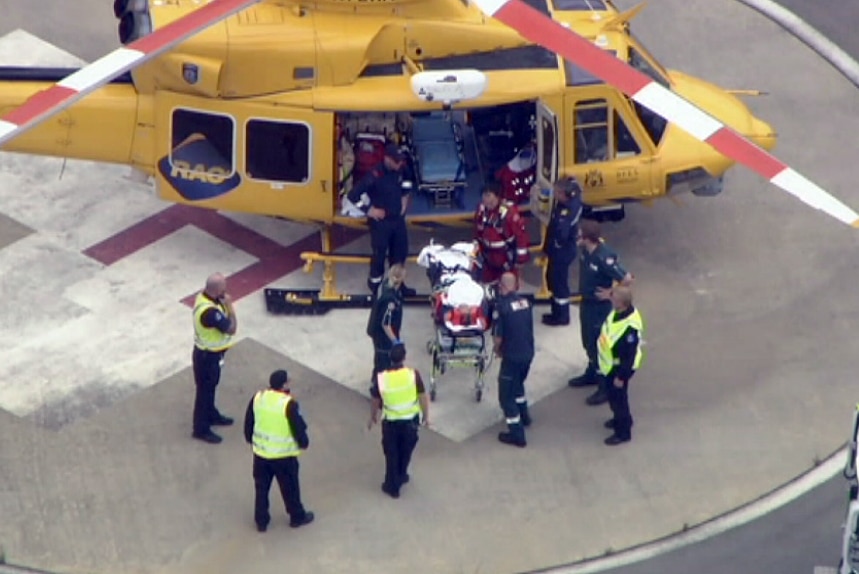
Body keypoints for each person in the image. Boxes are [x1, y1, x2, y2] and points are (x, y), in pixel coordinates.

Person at [567, 220, 633, 407]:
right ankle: (591, 373)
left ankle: (604, 387)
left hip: (599, 308)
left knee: (600, 346)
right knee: (588, 341)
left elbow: (627, 279)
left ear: (588, 238)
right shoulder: (586, 253)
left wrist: (610, 293)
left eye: (580, 235)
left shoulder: (604, 256)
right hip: (586, 304)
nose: (577, 238)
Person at [243, 369, 315, 532]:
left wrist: (251, 439)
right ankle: (297, 516)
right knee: (290, 488)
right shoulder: (288, 404)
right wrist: (304, 443)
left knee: (261, 489)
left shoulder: (258, 398)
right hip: (283, 457)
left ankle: (261, 521)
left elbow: (249, 422)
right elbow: (298, 428)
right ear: (283, 385)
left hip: (261, 454)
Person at [346, 142, 417, 297]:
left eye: (401, 161)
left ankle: (398, 284)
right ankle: (375, 287)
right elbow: (353, 196)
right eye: (397, 161)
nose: (400, 164)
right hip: (381, 223)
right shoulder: (375, 175)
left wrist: (405, 197)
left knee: (399, 254)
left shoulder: (401, 170)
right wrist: (370, 210)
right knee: (379, 256)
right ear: (387, 159)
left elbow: (407, 182)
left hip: (397, 220)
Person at [368, 344, 430, 499]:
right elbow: (422, 396)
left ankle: (392, 486)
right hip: (410, 422)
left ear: (390, 358)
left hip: (391, 423)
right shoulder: (413, 375)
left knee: (391, 453)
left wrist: (372, 416)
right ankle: (401, 475)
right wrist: (426, 416)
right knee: (406, 451)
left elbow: (375, 399)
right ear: (404, 358)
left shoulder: (382, 378)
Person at [191, 273, 237, 444]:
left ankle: (211, 414)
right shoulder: (210, 312)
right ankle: (200, 428)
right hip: (207, 357)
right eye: (223, 288)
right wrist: (230, 308)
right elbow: (231, 328)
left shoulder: (205, 298)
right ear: (217, 290)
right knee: (204, 392)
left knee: (210, 388)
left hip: (210, 355)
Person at [492, 272, 535, 447]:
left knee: (506, 396)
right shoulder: (525, 303)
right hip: (527, 354)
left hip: (512, 357)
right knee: (518, 385)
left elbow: (498, 339)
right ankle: (524, 416)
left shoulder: (501, 308)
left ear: (502, 287)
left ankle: (517, 434)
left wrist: (497, 350)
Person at [598, 286, 644, 446]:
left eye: (614, 298)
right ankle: (622, 419)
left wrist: (621, 377)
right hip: (610, 365)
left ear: (622, 303)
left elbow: (629, 356)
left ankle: (623, 432)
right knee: (615, 398)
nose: (611, 299)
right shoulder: (619, 312)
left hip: (619, 369)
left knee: (618, 400)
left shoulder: (629, 328)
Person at [541, 177, 584, 326]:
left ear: (563, 193)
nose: (554, 194)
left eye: (557, 192)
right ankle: (556, 312)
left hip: (561, 252)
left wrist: (555, 245)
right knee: (552, 279)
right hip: (560, 250)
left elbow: (561, 232)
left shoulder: (566, 211)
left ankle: (561, 316)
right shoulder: (570, 201)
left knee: (559, 284)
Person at [474, 182, 530, 285]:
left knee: (507, 286)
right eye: (484, 197)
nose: (487, 201)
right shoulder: (481, 210)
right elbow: (478, 230)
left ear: (498, 196)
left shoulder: (509, 213)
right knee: (487, 286)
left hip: (505, 257)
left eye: (489, 196)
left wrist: (520, 260)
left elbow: (520, 237)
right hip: (488, 257)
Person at [366, 264, 406, 391]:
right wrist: (395, 340)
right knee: (384, 360)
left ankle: (375, 380)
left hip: (374, 329)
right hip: (383, 336)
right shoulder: (390, 300)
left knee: (378, 357)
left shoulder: (383, 285)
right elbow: (385, 323)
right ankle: (379, 388)